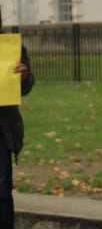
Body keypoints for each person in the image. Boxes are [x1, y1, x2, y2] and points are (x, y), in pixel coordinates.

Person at [0, 12, 34, 229]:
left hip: (2, 128)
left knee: (2, 192)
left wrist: (24, 76)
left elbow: (27, 85)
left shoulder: (10, 48)